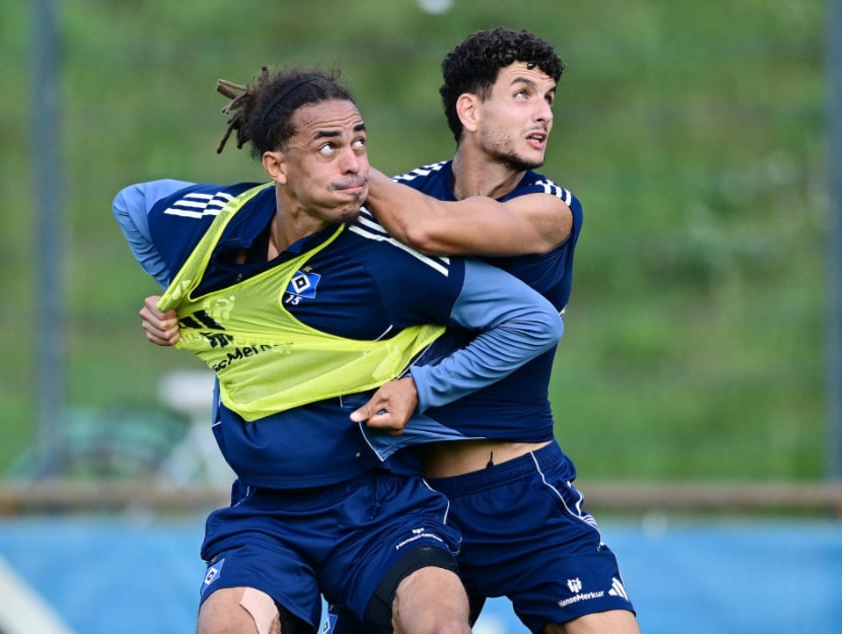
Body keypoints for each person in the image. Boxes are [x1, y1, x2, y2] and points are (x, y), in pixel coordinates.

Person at [142, 29, 641, 634]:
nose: (544, 112)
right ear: (469, 110)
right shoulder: (398, 197)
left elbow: (432, 229)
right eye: (523, 93)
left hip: (515, 489)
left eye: (550, 98)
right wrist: (194, 311)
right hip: (403, 493)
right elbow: (286, 307)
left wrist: (331, 158)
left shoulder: (548, 208)